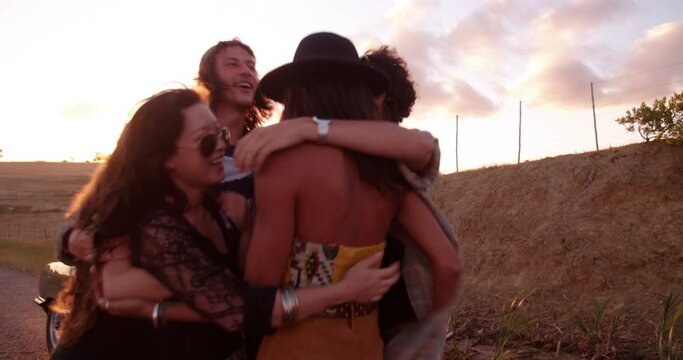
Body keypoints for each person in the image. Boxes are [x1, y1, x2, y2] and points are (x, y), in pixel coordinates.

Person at [50, 89, 402, 360]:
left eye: (220, 133)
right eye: (206, 141)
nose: (222, 145)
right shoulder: (151, 223)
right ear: (165, 158)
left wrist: (248, 227)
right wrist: (345, 291)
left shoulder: (213, 200)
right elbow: (242, 310)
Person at [245, 32, 460, 360]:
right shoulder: (389, 171)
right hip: (366, 343)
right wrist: (428, 332)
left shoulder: (281, 166)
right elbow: (448, 264)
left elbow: (262, 281)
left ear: (297, 95)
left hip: (298, 343)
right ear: (362, 95)